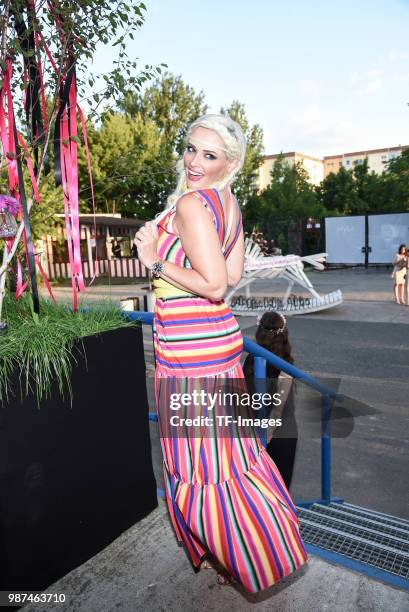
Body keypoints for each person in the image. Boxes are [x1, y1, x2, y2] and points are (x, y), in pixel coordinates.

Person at [134, 114, 307, 592]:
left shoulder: (192, 204)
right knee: (225, 457)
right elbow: (229, 278)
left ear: (229, 161)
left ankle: (248, 555)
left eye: (208, 155)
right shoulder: (228, 202)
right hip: (218, 343)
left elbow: (212, 284)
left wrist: (154, 260)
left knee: (199, 462)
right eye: (190, 149)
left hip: (190, 347)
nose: (193, 161)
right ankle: (243, 551)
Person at [243, 311, 298, 490]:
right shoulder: (286, 364)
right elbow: (278, 408)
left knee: (256, 490)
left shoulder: (252, 358)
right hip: (282, 432)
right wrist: (264, 438)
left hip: (255, 431)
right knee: (279, 489)